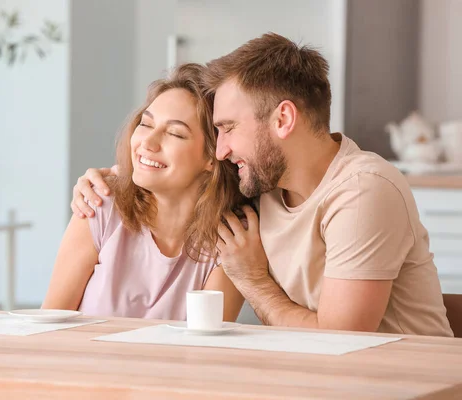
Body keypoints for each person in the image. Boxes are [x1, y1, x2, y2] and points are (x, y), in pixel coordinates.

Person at [70, 33, 453, 336]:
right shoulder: (262, 186)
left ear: (283, 119)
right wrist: (107, 180)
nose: (221, 151)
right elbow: (181, 178)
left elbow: (344, 339)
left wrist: (253, 279)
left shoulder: (362, 190)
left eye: (229, 128)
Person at [43, 63, 245, 321]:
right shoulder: (99, 206)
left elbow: (205, 350)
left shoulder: (229, 242)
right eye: (146, 124)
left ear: (211, 156)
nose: (146, 143)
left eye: (174, 133)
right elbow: (48, 324)